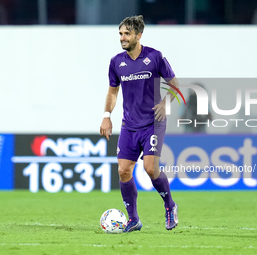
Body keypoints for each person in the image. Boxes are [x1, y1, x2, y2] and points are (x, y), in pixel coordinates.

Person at [100, 15, 179, 233]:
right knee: (124, 171)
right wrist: (107, 114)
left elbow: (175, 85)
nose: (122, 38)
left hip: (153, 123)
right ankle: (133, 220)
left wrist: (165, 103)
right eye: (120, 34)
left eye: (126, 34)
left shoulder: (154, 57)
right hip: (129, 126)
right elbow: (113, 91)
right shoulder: (116, 62)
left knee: (150, 168)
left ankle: (170, 206)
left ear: (138, 35)